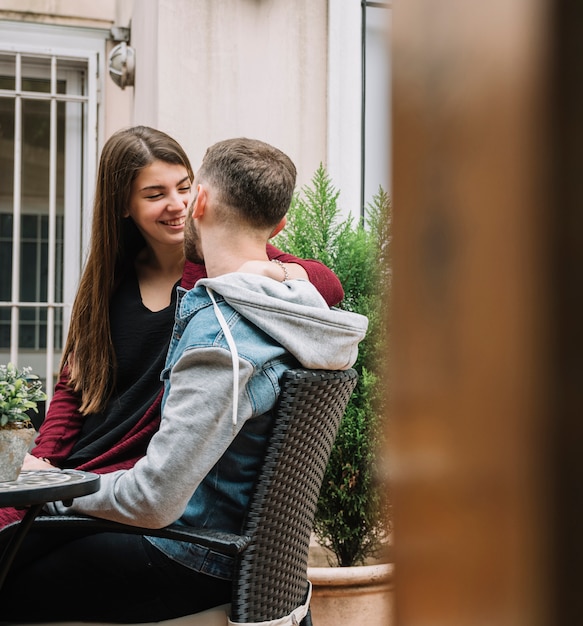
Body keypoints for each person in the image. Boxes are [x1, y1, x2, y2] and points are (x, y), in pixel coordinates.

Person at [0, 137, 368, 622]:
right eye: (155, 194)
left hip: (168, 522)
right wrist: (47, 461)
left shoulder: (219, 312)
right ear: (123, 207)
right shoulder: (113, 283)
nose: (175, 205)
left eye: (184, 188)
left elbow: (154, 498)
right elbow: (75, 382)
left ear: (201, 200)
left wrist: (282, 273)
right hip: (134, 488)